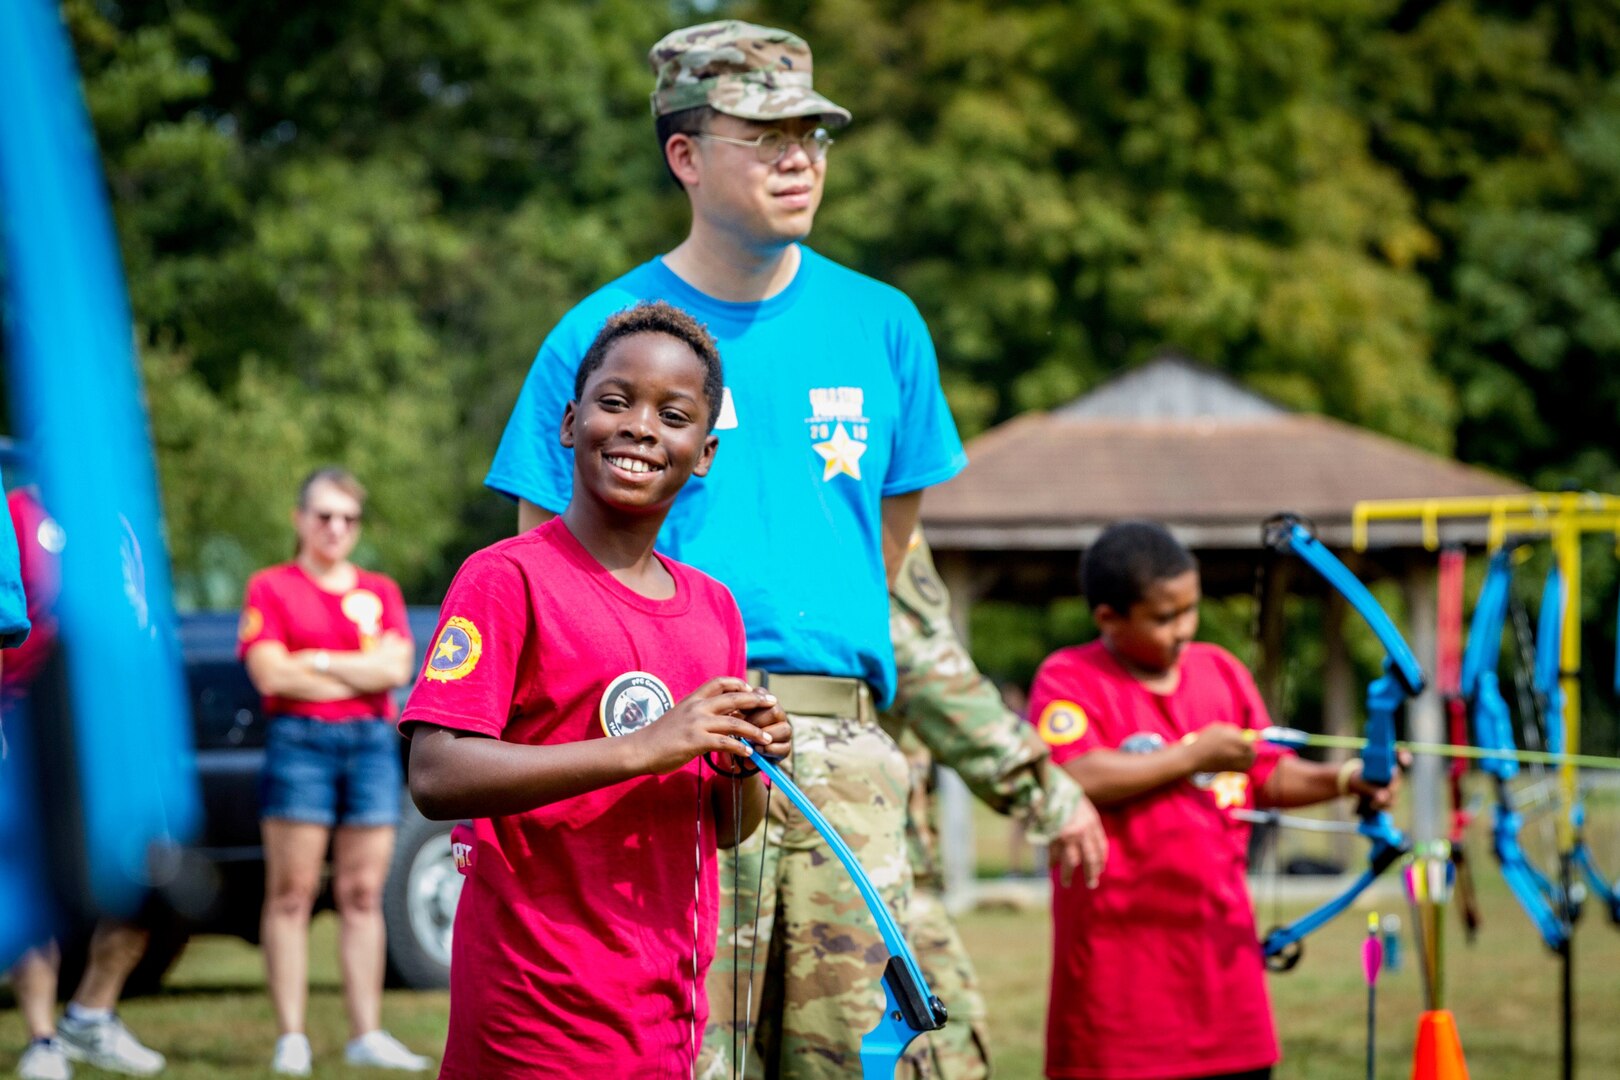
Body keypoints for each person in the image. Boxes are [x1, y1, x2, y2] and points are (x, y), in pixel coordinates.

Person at [485, 20, 966, 1077]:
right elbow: (548, 583)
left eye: (816, 136)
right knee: (679, 1056)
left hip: (844, 755)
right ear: (686, 155)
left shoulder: (884, 323)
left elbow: (890, 540)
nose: (802, 160)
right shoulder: (603, 337)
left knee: (865, 1059)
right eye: (767, 134)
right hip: (671, 759)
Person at [401, 301, 790, 1078]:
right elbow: (437, 775)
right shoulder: (505, 577)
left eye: (673, 415)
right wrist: (642, 748)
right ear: (571, 421)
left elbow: (727, 826)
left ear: (704, 452)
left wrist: (748, 767)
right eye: (616, 402)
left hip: (666, 1014)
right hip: (533, 1008)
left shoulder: (715, 609)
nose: (642, 427)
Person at [1028, 521, 1401, 1080]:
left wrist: (1348, 779)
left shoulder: (1219, 669)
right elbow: (1074, 773)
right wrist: (1191, 756)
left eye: (1190, 610)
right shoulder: (1071, 676)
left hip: (1223, 975)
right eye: (1163, 617)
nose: (1183, 629)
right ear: (1108, 617)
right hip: (1117, 980)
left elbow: (1269, 777)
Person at [884, 531, 1107, 1078]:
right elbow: (919, 662)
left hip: (891, 843)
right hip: (868, 859)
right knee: (939, 1048)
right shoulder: (852, 496)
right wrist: (1047, 794)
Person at [237, 468, 426, 1075]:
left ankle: (365, 1032)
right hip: (299, 743)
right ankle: (291, 1035)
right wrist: (353, 666)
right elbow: (270, 674)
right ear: (300, 519)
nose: (336, 528)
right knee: (291, 894)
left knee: (364, 893)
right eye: (324, 515)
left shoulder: (382, 589)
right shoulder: (271, 586)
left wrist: (312, 660)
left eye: (348, 517)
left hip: (371, 743)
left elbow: (396, 668)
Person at [5, 487, 165, 1080]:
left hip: (117, 724)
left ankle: (91, 1015)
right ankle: (42, 1039)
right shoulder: (15, 508)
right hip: (27, 714)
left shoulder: (118, 516)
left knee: (146, 871)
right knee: (33, 871)